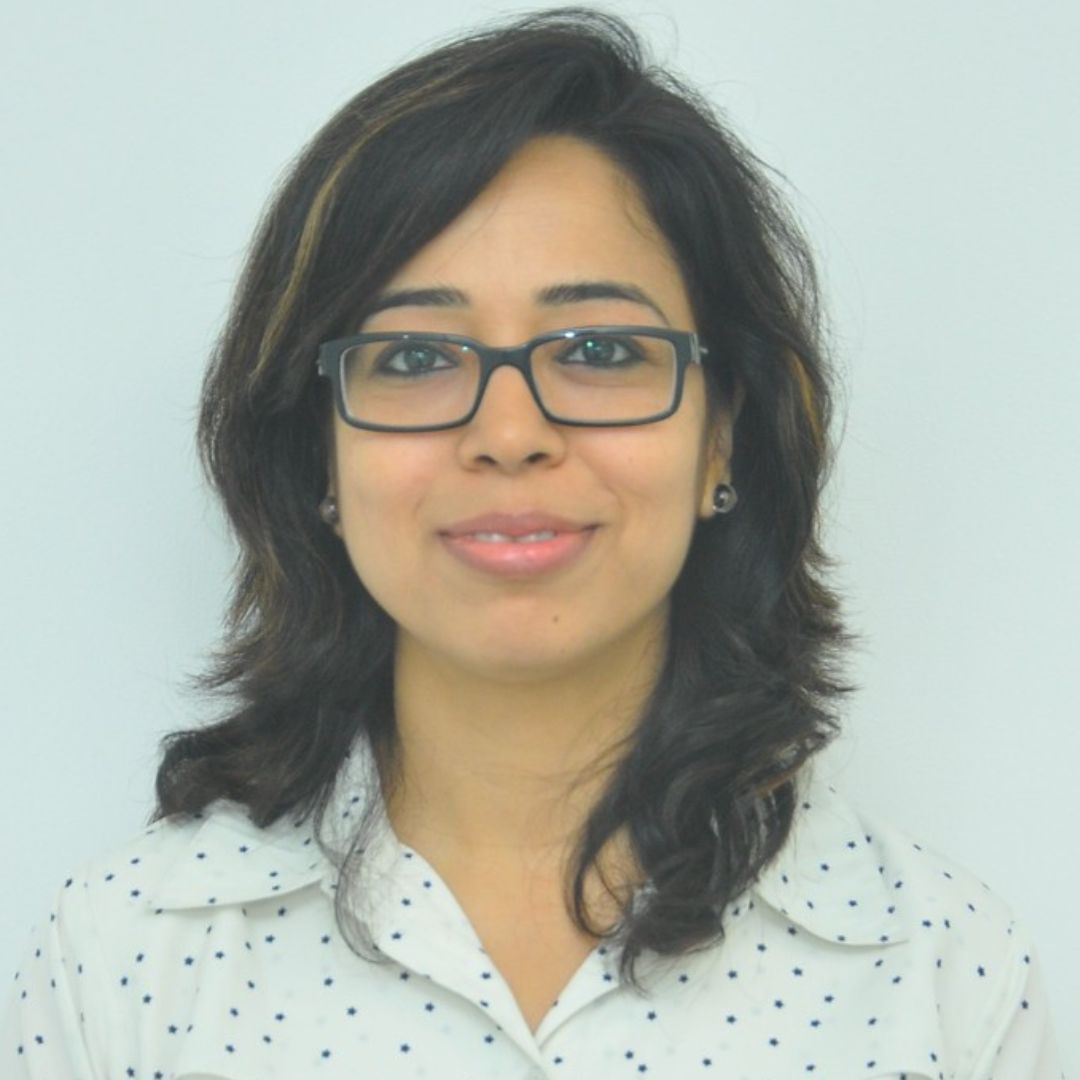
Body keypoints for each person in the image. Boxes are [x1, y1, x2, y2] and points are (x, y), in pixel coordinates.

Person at [4, 8, 1063, 1078]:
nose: (509, 435)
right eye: (415, 358)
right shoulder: (128, 953)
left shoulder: (938, 969)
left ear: (722, 434)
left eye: (599, 349)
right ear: (318, 449)